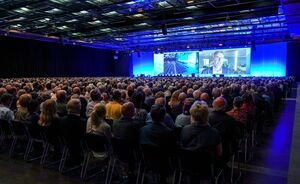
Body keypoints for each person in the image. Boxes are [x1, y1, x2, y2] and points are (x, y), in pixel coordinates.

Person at [60, 99, 86, 165]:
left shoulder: (62, 119)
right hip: (79, 145)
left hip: (66, 143)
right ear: (79, 108)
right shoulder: (82, 122)